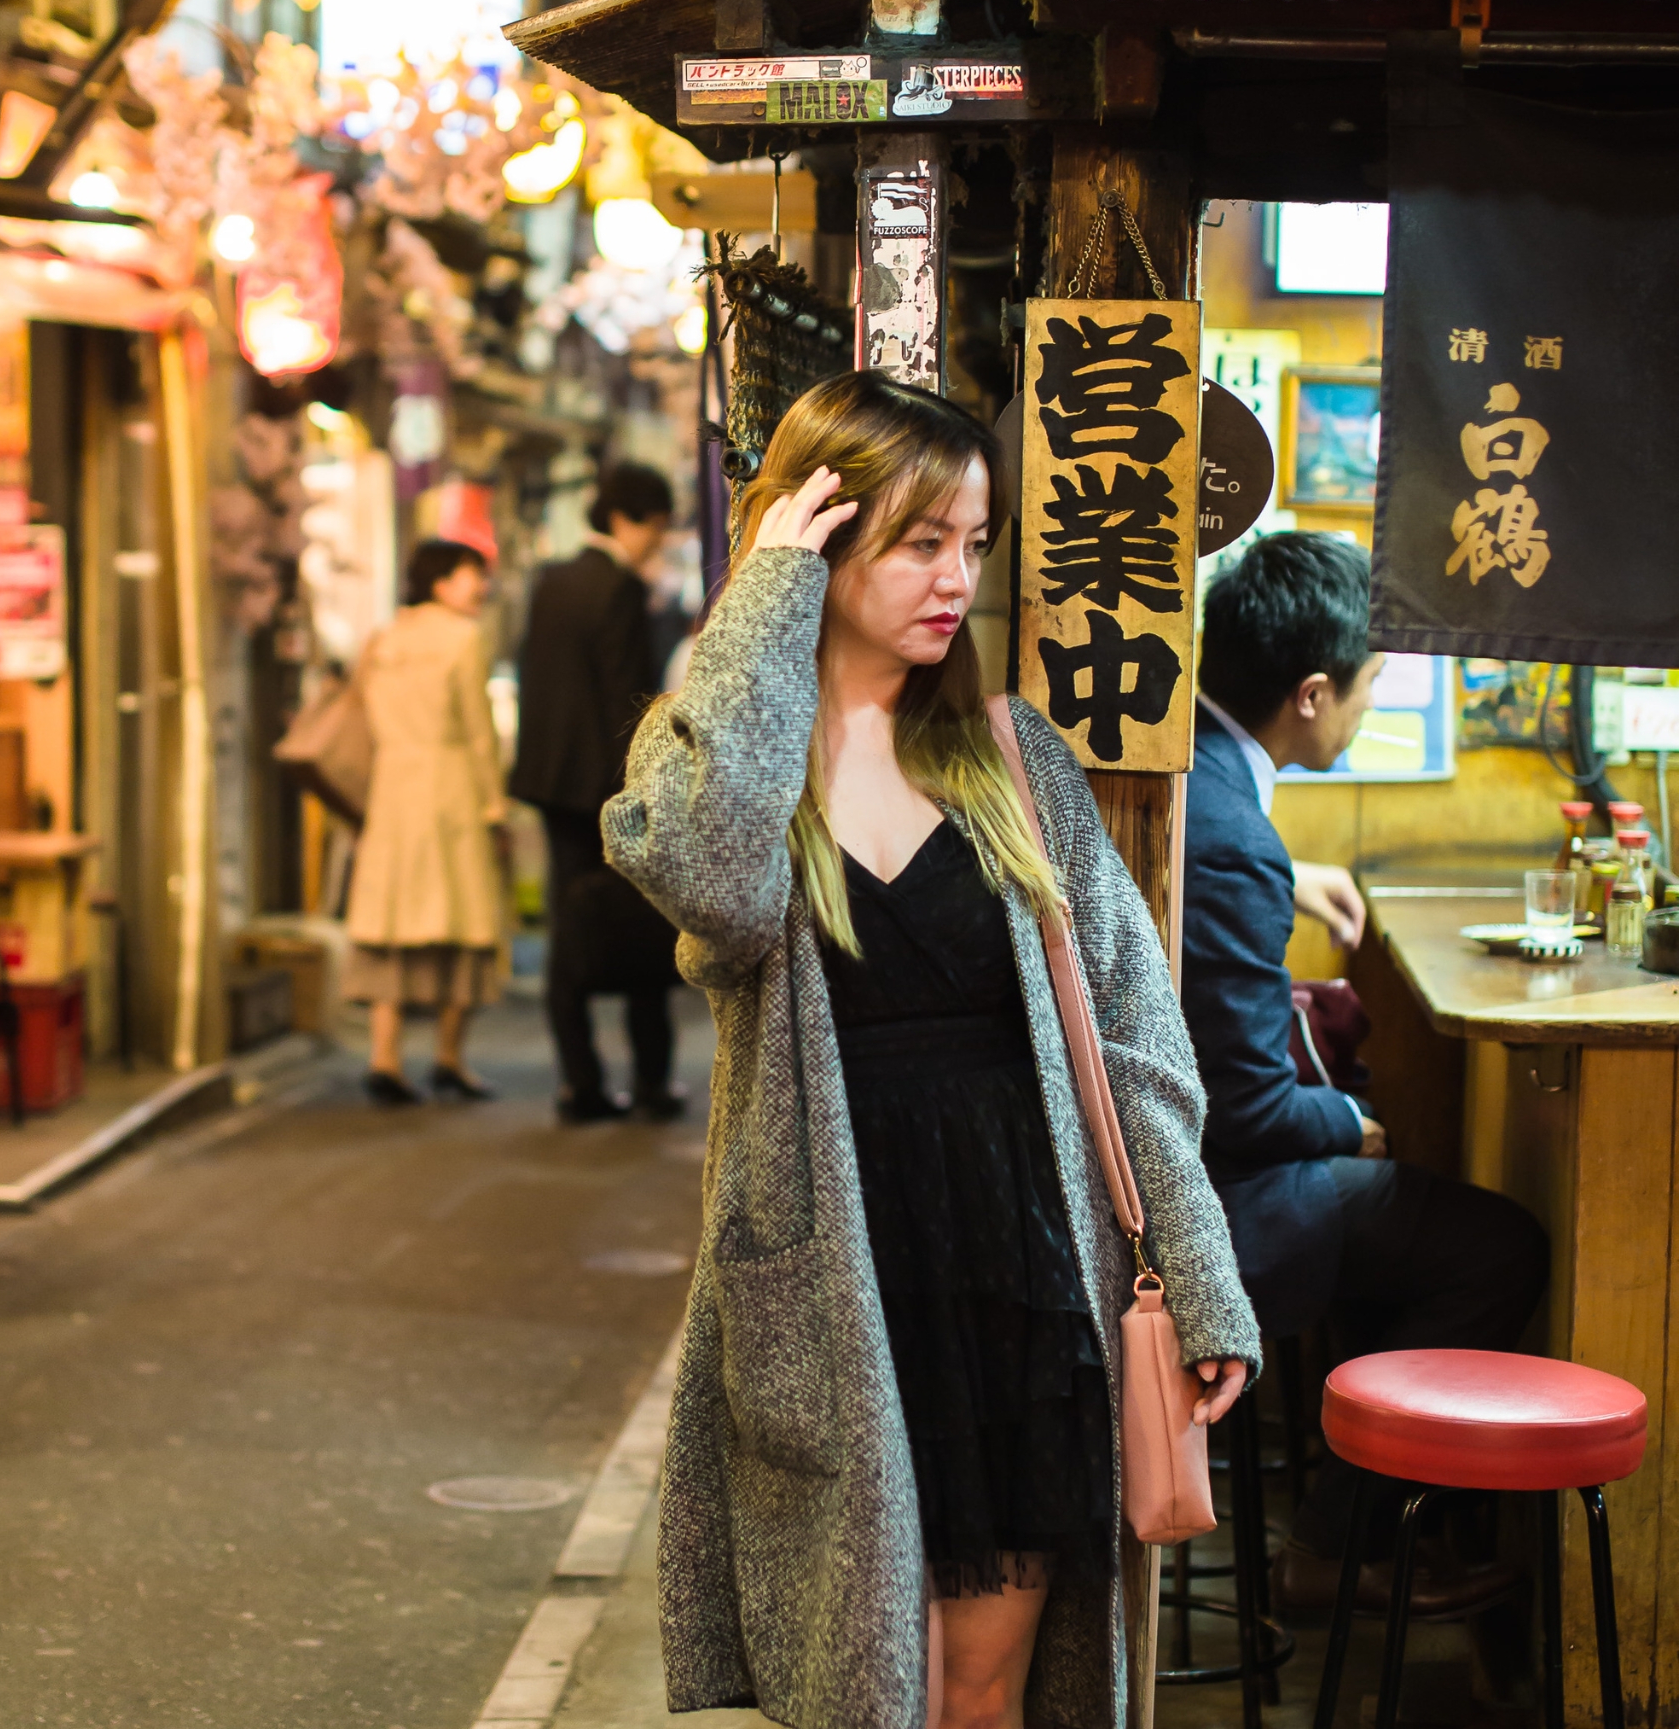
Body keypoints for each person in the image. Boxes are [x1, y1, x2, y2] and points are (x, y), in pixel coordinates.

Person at [604, 373, 1260, 1729]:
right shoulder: (722, 758)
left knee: (977, 1689)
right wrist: (763, 604)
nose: (957, 577)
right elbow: (709, 878)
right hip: (838, 1282)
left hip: (1015, 1279)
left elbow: (1136, 1048)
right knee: (858, 1686)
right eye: (919, 541)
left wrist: (1199, 1278)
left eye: (975, 542)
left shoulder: (1014, 758)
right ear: (818, 531)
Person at [1185, 531, 1549, 1612]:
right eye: (1367, 684)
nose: (1368, 704)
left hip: (1178, 1173)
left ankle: (1362, 1517)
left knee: (1397, 1202)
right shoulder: (1227, 831)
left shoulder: (1200, 774)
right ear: (1308, 693)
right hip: (1211, 1201)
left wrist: (1291, 879)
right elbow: (1248, 1107)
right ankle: (1342, 1545)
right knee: (1496, 1244)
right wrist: (1347, 1123)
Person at [510, 461, 680, 1123]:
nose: (658, 543)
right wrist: (644, 788)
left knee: (568, 926)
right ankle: (650, 1083)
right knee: (642, 923)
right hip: (607, 788)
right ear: (627, 521)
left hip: (553, 784)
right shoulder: (618, 590)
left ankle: (579, 1084)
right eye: (658, 529)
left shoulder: (551, 581)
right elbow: (624, 702)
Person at [343, 539, 505, 1106]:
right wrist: (495, 803)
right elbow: (478, 730)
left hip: (391, 790)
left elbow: (359, 711)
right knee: (464, 921)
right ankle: (448, 1057)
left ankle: (384, 1057)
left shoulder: (383, 639)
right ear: (439, 582)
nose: (481, 587)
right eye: (471, 576)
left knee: (391, 923)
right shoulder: (463, 638)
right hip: (451, 787)